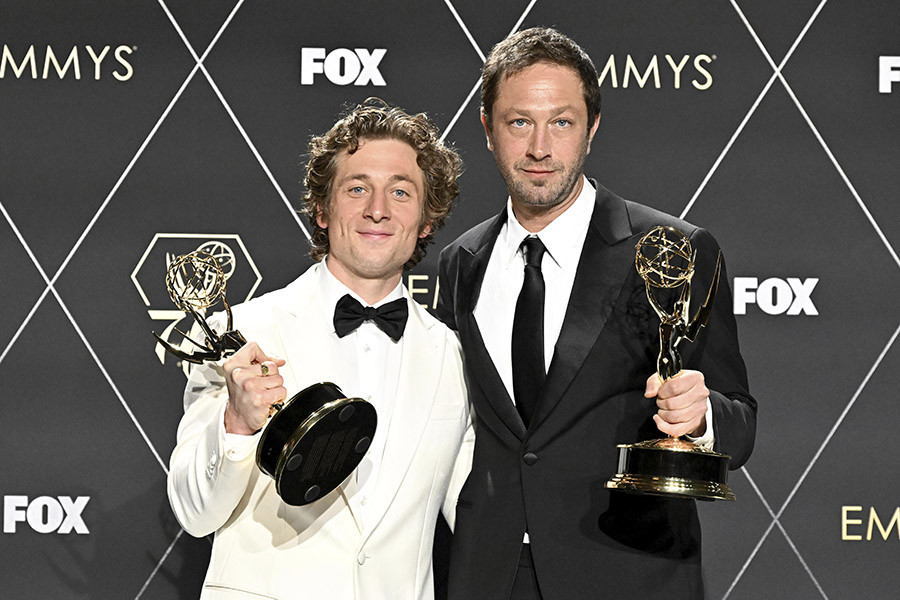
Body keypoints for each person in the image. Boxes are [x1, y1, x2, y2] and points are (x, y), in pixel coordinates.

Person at [437, 27, 757, 599]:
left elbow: (742, 423)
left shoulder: (673, 251)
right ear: (487, 129)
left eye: (561, 122)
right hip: (487, 575)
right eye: (519, 122)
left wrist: (701, 415)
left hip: (628, 574)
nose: (540, 148)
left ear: (592, 128)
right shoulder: (461, 262)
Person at [168, 98, 472, 600]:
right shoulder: (240, 331)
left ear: (425, 220)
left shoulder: (455, 358)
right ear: (322, 209)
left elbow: (479, 515)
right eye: (357, 189)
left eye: (400, 191)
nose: (378, 209)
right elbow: (193, 512)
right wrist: (236, 424)